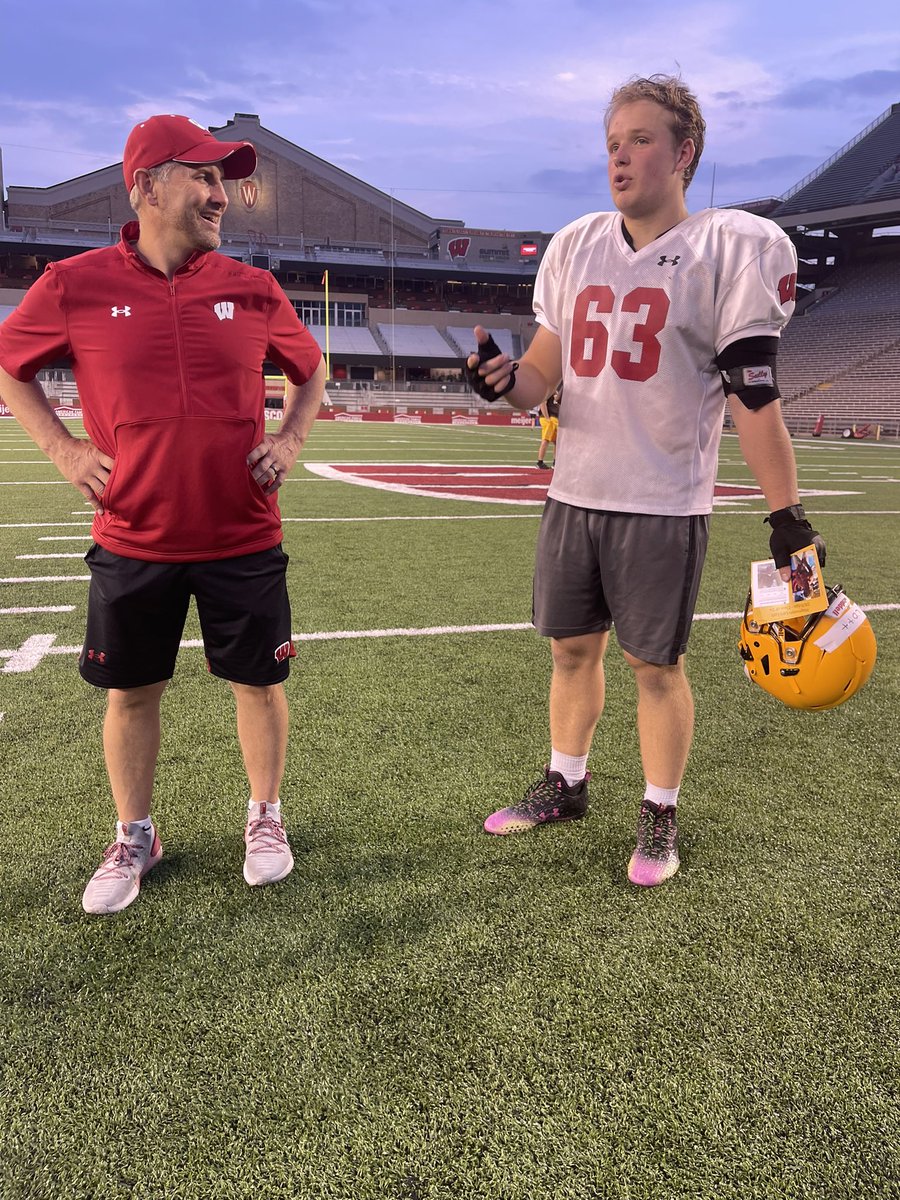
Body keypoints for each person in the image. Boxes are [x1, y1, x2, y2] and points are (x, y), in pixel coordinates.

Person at [465, 75, 825, 886]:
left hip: (661, 499)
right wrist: (499, 380)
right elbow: (537, 380)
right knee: (568, 650)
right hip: (575, 492)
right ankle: (567, 780)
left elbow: (754, 396)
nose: (619, 158)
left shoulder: (728, 249)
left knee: (654, 666)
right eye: (611, 143)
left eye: (639, 141)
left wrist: (787, 515)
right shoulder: (577, 244)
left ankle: (660, 810)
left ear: (684, 152)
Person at [0, 115, 326, 913]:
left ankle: (265, 817)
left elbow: (311, 373)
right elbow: (10, 367)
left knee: (258, 683)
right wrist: (67, 453)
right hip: (133, 533)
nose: (223, 195)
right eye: (204, 177)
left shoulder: (253, 288)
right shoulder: (75, 285)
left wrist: (288, 441)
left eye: (223, 181)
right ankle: (135, 835)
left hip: (241, 532)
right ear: (146, 186)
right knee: (133, 692)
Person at [536, 388, 561, 469]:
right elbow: (543, 403)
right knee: (546, 440)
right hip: (549, 418)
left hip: (554, 418)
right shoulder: (548, 391)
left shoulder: (554, 391)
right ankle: (540, 462)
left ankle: (555, 462)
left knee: (557, 442)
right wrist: (547, 418)